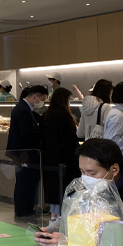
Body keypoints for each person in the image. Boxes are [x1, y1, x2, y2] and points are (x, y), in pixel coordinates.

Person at [7, 85, 48, 223]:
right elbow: (26, 133)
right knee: (25, 183)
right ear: (35, 96)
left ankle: (26, 211)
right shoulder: (23, 110)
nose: (41, 102)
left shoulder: (22, 108)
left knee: (24, 182)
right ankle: (23, 213)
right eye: (41, 99)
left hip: (22, 152)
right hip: (25, 153)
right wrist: (41, 134)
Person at [41, 87, 80, 224]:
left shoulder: (46, 114)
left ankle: (53, 216)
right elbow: (71, 137)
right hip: (65, 157)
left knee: (54, 188)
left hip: (50, 157)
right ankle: (62, 218)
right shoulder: (64, 115)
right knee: (65, 187)